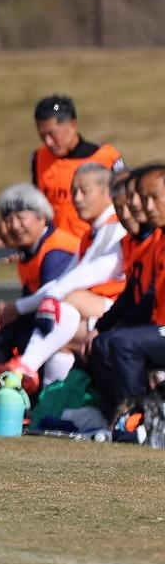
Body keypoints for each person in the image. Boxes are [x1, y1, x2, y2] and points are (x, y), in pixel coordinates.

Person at [0, 163, 126, 389]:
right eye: (73, 191)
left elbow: (90, 273)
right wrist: (19, 307)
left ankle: (24, 367)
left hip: (120, 313)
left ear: (107, 193)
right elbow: (62, 281)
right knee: (60, 333)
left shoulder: (115, 228)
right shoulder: (91, 234)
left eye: (84, 191)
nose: (76, 199)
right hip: (99, 309)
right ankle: (50, 401)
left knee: (67, 302)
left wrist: (33, 303)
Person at [0, 184, 80, 398]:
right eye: (8, 220)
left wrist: (13, 310)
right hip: (56, 322)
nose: (14, 226)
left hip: (79, 321)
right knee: (8, 329)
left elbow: (51, 303)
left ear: (42, 216)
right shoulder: (30, 251)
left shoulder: (57, 249)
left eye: (20, 218)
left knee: (17, 333)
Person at [93, 164, 165, 417]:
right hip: (158, 326)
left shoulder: (154, 240)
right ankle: (112, 419)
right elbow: (138, 292)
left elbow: (147, 296)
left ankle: (134, 420)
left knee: (125, 343)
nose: (146, 206)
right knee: (104, 342)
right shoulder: (158, 238)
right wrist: (102, 326)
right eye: (143, 199)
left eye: (154, 198)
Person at [30, 94, 123, 239]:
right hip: (57, 248)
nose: (48, 142)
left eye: (53, 134)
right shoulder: (39, 158)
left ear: (72, 125)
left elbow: (124, 202)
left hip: (97, 244)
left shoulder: (106, 157)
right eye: (42, 135)